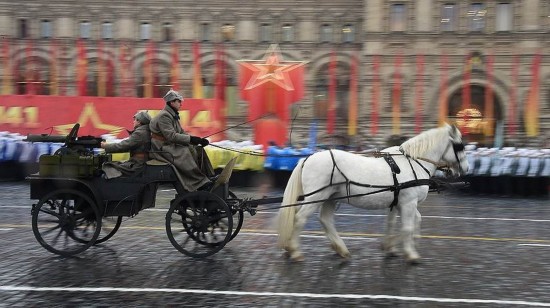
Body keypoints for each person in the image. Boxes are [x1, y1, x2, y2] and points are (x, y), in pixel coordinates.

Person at [149, 89, 215, 191]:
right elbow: (171, 136)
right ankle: (198, 182)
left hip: (169, 145)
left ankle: (209, 176)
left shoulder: (172, 115)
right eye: (178, 101)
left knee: (198, 149)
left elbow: (181, 132)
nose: (181, 103)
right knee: (185, 152)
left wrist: (197, 140)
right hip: (162, 148)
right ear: (171, 102)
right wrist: (191, 139)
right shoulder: (164, 116)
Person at [100, 111, 152, 179]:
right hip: (139, 162)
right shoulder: (145, 131)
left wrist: (105, 146)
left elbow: (123, 146)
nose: (133, 122)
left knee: (107, 166)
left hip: (137, 164)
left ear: (139, 122)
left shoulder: (140, 133)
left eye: (135, 120)